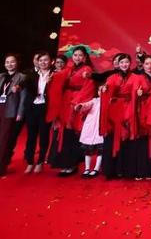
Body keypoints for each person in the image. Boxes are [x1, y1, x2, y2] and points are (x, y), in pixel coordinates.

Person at [47, 46, 96, 176]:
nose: (77, 57)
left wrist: (77, 102)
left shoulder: (87, 69)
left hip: (76, 103)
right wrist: (51, 78)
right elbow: (59, 77)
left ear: (85, 57)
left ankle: (72, 164)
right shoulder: (69, 69)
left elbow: (88, 86)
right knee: (64, 133)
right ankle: (65, 164)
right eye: (75, 55)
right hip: (66, 102)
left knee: (73, 134)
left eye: (80, 55)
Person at [99, 53, 135, 179]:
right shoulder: (112, 77)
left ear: (130, 63)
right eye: (122, 62)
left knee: (126, 140)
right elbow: (107, 89)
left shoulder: (136, 77)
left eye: (126, 62)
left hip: (129, 108)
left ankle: (124, 170)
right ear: (118, 64)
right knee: (112, 139)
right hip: (115, 110)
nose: (124, 64)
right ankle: (111, 170)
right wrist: (104, 89)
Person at [122, 55, 151, 180]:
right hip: (141, 110)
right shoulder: (137, 77)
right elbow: (131, 94)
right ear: (143, 65)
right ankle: (139, 170)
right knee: (140, 141)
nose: (149, 66)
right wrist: (137, 93)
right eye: (147, 64)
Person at [24, 51, 53, 174]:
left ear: (51, 61)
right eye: (41, 60)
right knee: (31, 136)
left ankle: (40, 161)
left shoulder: (55, 74)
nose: (43, 62)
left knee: (44, 136)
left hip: (46, 108)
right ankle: (30, 162)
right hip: (32, 108)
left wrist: (50, 82)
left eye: (46, 60)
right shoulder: (31, 74)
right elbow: (26, 87)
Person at [75, 90, 103, 178]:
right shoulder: (95, 100)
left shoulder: (109, 100)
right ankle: (87, 168)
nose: (101, 92)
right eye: (99, 90)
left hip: (100, 127)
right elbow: (87, 105)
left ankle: (96, 168)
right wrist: (81, 106)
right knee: (87, 149)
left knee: (100, 149)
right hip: (90, 126)